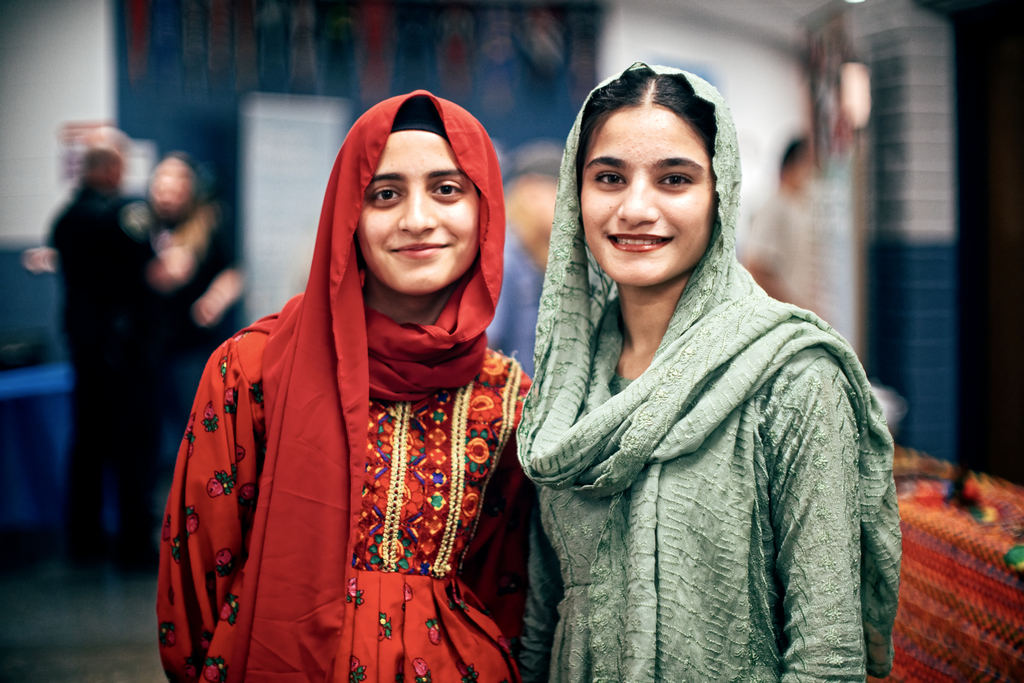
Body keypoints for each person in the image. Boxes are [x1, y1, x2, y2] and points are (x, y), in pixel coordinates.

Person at [516, 64, 901, 682]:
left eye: (674, 179)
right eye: (609, 177)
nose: (635, 208)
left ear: (720, 190)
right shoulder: (567, 380)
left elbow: (827, 655)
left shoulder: (793, 376)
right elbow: (544, 615)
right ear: (575, 193)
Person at [157, 92, 533, 683]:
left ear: (484, 210)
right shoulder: (253, 369)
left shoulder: (507, 395)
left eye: (446, 189)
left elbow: (506, 583)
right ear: (347, 216)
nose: (416, 219)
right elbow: (198, 575)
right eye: (385, 194)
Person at [43, 127, 162, 568]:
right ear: (110, 169)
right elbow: (147, 267)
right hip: (124, 348)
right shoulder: (124, 214)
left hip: (86, 345)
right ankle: (133, 543)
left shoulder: (65, 217)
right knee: (132, 443)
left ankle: (84, 537)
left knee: (89, 442)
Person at [121, 154, 244, 462]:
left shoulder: (208, 224)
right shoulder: (136, 224)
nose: (168, 196)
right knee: (143, 430)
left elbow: (233, 271)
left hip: (191, 345)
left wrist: (213, 299)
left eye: (177, 189)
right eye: (163, 188)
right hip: (142, 345)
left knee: (195, 424)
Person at [486, 141, 562, 376]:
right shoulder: (502, 257)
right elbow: (483, 345)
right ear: (530, 188)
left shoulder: (533, 254)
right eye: (563, 192)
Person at [743, 138, 818, 310]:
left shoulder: (796, 206)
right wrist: (794, 309)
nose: (811, 175)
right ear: (792, 166)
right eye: (809, 166)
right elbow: (756, 265)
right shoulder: (775, 206)